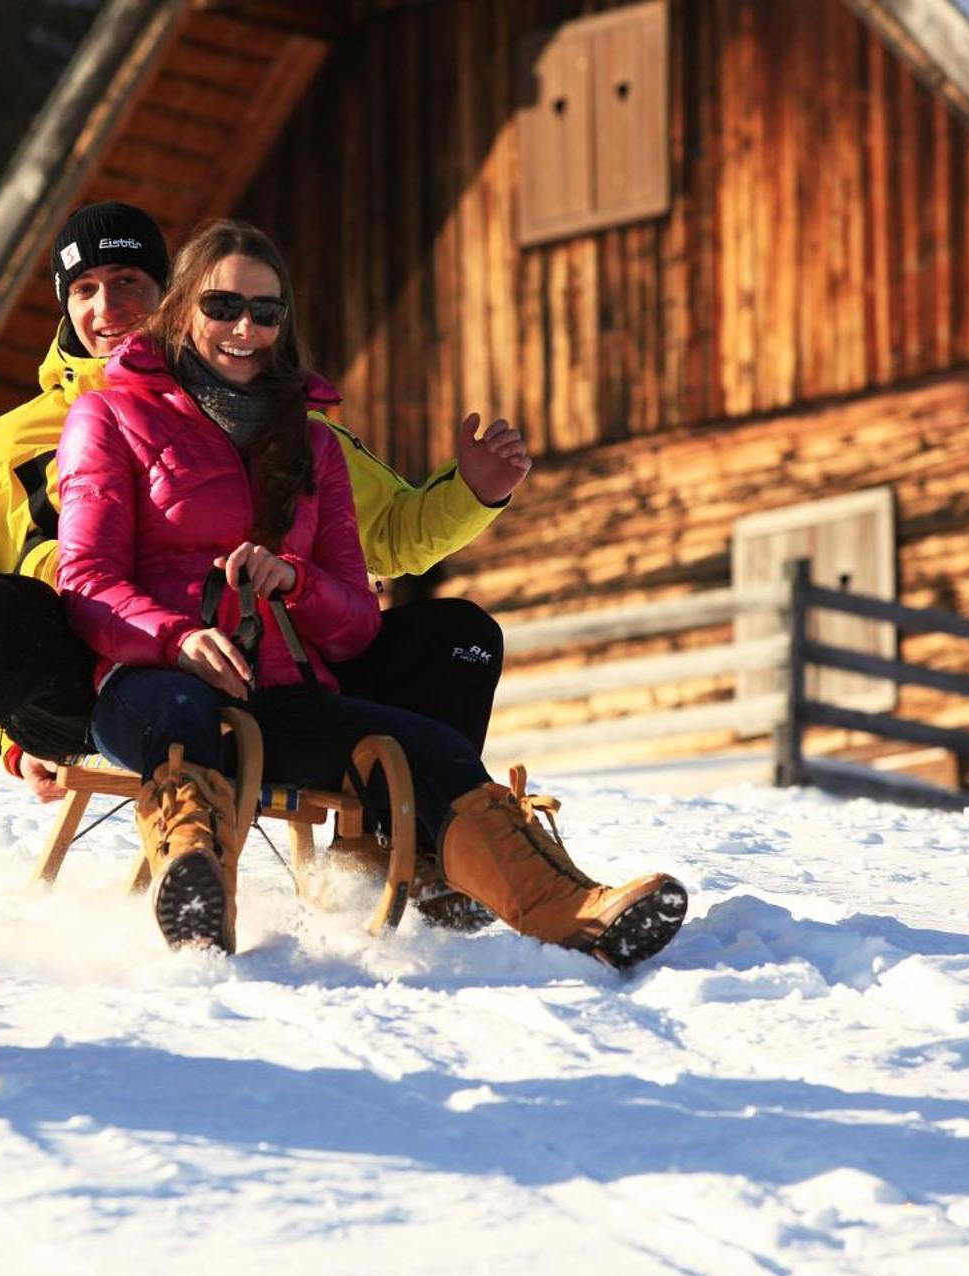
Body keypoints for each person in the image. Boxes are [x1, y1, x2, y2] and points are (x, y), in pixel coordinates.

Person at [0, 201, 528, 921]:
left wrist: (474, 492)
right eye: (84, 290)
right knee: (28, 594)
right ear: (63, 307)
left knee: (458, 634)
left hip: (256, 664)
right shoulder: (11, 441)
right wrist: (8, 738)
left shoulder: (276, 418)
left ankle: (415, 850)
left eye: (128, 281)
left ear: (174, 293)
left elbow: (393, 536)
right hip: (90, 675)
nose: (107, 306)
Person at [54, 218, 688, 963]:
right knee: (181, 713)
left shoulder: (316, 444)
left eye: (266, 312)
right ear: (184, 305)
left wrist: (298, 582)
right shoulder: (108, 414)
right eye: (223, 307)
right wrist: (177, 637)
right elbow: (87, 579)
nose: (244, 329)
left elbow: (356, 624)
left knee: (429, 746)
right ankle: (195, 886)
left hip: (279, 689)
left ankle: (573, 910)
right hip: (151, 681)